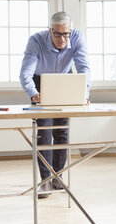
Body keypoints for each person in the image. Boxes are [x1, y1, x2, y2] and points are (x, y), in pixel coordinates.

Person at [20, 11, 90, 199]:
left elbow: (84, 68)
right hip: (40, 82)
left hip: (65, 80)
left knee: (62, 131)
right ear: (50, 30)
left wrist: (84, 94)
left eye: (66, 34)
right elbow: (25, 73)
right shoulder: (36, 40)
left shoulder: (77, 37)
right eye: (57, 34)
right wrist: (33, 94)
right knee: (44, 132)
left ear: (70, 31)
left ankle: (58, 177)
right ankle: (45, 181)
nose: (62, 39)